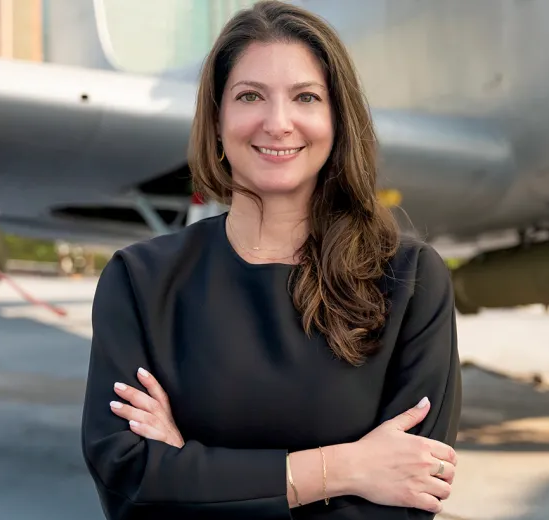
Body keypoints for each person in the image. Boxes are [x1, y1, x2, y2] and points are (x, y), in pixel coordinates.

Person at [80, 1, 461, 518]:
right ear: (217, 120)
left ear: (337, 118)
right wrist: (345, 468)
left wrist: (190, 470)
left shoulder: (408, 279)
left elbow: (413, 494)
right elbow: (131, 486)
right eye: (250, 96)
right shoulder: (141, 281)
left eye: (305, 97)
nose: (278, 123)